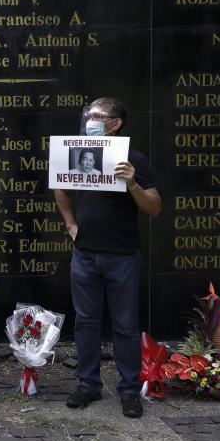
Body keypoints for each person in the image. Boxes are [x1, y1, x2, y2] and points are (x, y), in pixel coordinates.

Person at [53, 98, 161, 418]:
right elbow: (59, 185)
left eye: (98, 116)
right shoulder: (76, 150)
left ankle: (129, 391)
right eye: (89, 115)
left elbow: (154, 207)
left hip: (122, 256)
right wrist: (70, 224)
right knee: (86, 322)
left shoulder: (134, 159)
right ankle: (88, 385)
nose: (89, 119)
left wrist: (132, 183)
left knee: (125, 326)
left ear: (115, 124)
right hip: (84, 255)